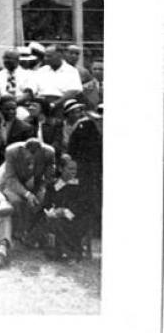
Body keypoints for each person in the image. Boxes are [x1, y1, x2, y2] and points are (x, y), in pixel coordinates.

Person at [0, 138, 57, 241]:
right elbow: (11, 178)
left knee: (41, 201)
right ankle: (17, 232)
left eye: (35, 154)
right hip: (12, 183)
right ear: (24, 149)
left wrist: (40, 190)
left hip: (35, 183)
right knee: (16, 201)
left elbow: (48, 177)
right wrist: (27, 194)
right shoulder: (12, 152)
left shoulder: (49, 153)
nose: (32, 157)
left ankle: (33, 233)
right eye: (29, 153)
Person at [62, 98, 102, 236]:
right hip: (85, 169)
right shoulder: (83, 126)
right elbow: (72, 151)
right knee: (87, 198)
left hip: (97, 168)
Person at [40, 155, 87, 261]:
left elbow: (83, 205)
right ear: (61, 169)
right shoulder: (53, 186)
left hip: (76, 217)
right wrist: (52, 211)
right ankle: (58, 250)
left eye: (75, 169)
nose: (74, 172)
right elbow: (46, 204)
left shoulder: (79, 185)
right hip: (56, 217)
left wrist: (66, 212)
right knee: (52, 221)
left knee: (60, 222)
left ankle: (71, 252)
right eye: (70, 169)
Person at [34, 45, 83, 115]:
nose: (45, 59)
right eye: (45, 56)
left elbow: (73, 91)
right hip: (40, 104)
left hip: (61, 104)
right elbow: (32, 89)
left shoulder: (71, 71)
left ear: (59, 56)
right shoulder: (41, 71)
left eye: (49, 56)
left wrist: (54, 104)